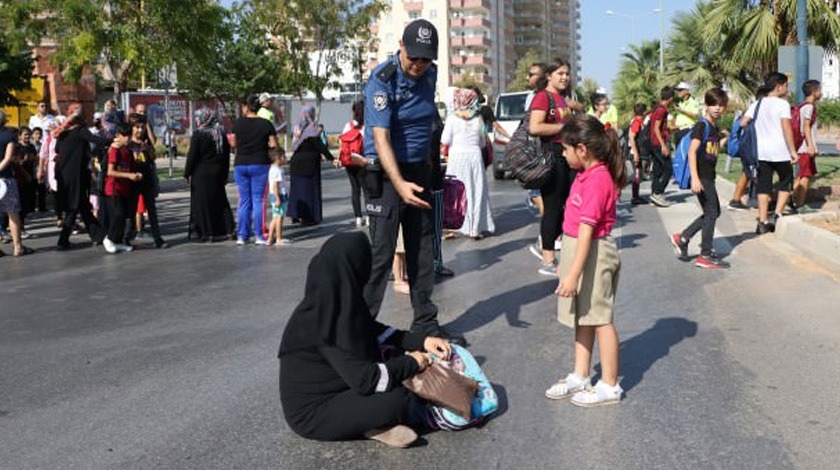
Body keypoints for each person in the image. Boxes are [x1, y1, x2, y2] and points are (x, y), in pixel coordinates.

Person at [278, 232, 451, 448]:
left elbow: (371, 329)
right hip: (314, 413)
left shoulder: (335, 299)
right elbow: (366, 380)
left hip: (343, 386)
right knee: (400, 398)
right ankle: (370, 425)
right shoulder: (322, 325)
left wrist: (421, 341)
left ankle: (368, 421)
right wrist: (413, 362)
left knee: (397, 370)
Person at [361, 19, 464, 345]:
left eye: (426, 58)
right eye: (413, 57)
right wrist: (401, 184)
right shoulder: (382, 80)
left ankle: (426, 324)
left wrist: (430, 167)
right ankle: (360, 332)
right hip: (387, 174)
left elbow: (426, 121)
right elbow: (381, 138)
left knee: (423, 252)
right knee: (381, 255)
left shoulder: (430, 74)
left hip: (419, 171)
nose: (419, 65)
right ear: (401, 47)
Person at [546, 114, 626, 407]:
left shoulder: (598, 180)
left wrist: (572, 274)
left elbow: (587, 231)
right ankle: (581, 374)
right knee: (584, 315)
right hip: (578, 248)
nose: (563, 155)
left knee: (600, 318)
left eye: (565, 150)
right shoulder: (585, 175)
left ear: (582, 149)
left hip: (592, 251)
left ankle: (609, 384)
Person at [670, 88, 730, 269]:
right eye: (713, 105)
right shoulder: (702, 125)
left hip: (708, 175)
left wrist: (724, 139)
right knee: (712, 212)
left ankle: (683, 237)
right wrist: (695, 178)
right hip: (702, 176)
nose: (717, 108)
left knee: (712, 212)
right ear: (706, 106)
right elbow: (692, 151)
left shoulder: (713, 128)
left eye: (720, 105)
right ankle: (705, 254)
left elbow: (712, 151)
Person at [528, 58, 573, 276]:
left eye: (567, 73)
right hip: (551, 156)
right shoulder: (543, 97)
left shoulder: (560, 98)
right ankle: (548, 259)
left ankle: (544, 243)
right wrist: (561, 127)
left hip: (565, 157)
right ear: (549, 76)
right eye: (560, 73)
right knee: (553, 208)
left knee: (566, 206)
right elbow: (534, 127)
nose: (564, 77)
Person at [741, 73, 800, 234]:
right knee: (785, 181)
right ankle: (777, 214)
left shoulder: (758, 103)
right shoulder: (782, 104)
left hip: (761, 153)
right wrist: (793, 151)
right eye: (786, 86)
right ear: (778, 86)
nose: (787, 89)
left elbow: (743, 122)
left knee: (764, 186)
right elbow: (786, 128)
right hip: (780, 152)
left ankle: (762, 220)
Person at [54, 103, 109, 251]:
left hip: (65, 174)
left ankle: (99, 235)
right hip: (76, 174)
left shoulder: (63, 132)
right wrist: (113, 139)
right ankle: (63, 240)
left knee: (83, 206)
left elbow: (57, 148)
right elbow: (97, 140)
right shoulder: (80, 130)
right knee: (74, 207)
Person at [442, 88, 494, 239]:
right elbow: (483, 141)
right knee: (476, 190)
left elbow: (445, 140)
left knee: (457, 192)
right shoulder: (478, 119)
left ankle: (456, 225)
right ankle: (475, 229)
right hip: (475, 156)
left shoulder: (452, 118)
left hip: (457, 157)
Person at [231, 94, 278, 245]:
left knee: (244, 201)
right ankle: (259, 235)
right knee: (258, 200)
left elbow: (233, 143)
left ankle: (242, 235)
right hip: (260, 163)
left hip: (241, 164)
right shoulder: (265, 124)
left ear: (246, 106)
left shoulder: (238, 124)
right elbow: (273, 145)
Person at [184, 107, 234, 242]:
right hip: (217, 172)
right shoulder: (220, 134)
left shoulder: (199, 134)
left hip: (201, 174)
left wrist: (187, 173)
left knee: (202, 204)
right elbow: (226, 156)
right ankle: (229, 230)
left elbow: (192, 156)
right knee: (221, 201)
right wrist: (225, 173)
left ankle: (208, 233)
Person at [287, 105, 336, 226]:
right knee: (309, 192)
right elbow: (320, 147)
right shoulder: (311, 130)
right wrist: (332, 159)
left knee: (296, 191)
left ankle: (295, 214)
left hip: (295, 164)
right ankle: (308, 217)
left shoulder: (297, 128)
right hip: (309, 165)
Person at [126, 114, 168, 248]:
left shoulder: (145, 143)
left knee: (152, 210)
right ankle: (126, 237)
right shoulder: (127, 144)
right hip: (133, 180)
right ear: (131, 128)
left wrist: (148, 149)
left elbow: (153, 157)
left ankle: (158, 238)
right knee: (131, 210)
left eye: (142, 127)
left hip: (147, 180)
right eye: (137, 127)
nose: (140, 130)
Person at [102, 123, 142, 253]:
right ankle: (109, 238)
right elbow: (110, 172)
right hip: (114, 188)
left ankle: (117, 241)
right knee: (118, 214)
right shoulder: (115, 149)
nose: (127, 138)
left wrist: (136, 175)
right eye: (124, 135)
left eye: (129, 135)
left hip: (125, 189)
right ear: (118, 136)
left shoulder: (128, 151)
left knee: (124, 215)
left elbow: (131, 168)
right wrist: (129, 175)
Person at [0, 111, 34, 256]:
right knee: (13, 213)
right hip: (6, 179)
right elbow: (8, 158)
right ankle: (17, 247)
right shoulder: (9, 135)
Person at [791, 79, 822, 210]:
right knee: (805, 176)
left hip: (801, 147)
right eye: (820, 90)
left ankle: (791, 200)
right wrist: (811, 145)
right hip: (805, 148)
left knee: (799, 176)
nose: (821, 93)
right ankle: (800, 205)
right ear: (814, 92)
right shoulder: (809, 107)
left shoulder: (802, 106)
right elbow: (806, 126)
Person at [340, 100, 369, 228]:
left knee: (355, 190)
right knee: (367, 190)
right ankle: (369, 216)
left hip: (350, 161)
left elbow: (342, 144)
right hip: (363, 161)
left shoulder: (348, 125)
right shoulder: (367, 126)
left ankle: (358, 217)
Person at [648, 86, 675, 207]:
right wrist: (663, 146)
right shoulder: (661, 110)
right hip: (658, 143)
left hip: (654, 142)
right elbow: (656, 128)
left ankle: (654, 194)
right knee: (669, 169)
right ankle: (658, 193)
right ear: (671, 98)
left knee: (658, 170)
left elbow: (658, 126)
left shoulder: (657, 108)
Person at [267, 151, 290, 246]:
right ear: (278, 158)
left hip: (274, 195)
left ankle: (270, 237)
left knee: (275, 217)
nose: (285, 158)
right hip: (279, 195)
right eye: (283, 156)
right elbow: (275, 185)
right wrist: (278, 198)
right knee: (280, 217)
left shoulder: (273, 169)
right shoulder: (277, 170)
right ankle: (279, 238)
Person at [627, 103, 648, 205]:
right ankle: (635, 197)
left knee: (638, 175)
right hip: (635, 152)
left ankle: (636, 195)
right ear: (643, 112)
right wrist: (635, 154)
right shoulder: (636, 122)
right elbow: (632, 137)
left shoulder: (639, 122)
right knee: (637, 175)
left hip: (638, 151)